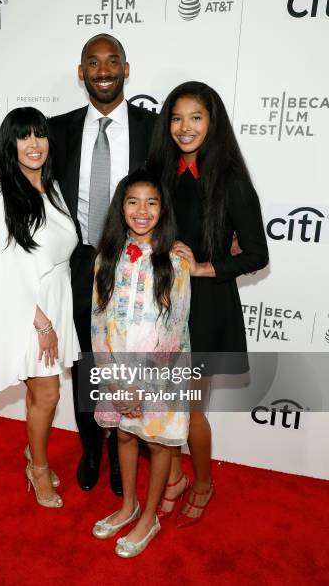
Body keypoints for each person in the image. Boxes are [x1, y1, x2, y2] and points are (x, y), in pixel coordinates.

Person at [148, 81, 269, 527]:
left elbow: (257, 253)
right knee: (163, 403)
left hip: (208, 308)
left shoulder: (230, 181)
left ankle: (202, 483)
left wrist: (202, 267)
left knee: (190, 407)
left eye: (195, 117)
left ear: (212, 122)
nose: (185, 127)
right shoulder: (160, 171)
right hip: (160, 306)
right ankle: (175, 477)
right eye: (177, 118)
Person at [48, 34, 157, 495]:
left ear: (127, 69)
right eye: (93, 62)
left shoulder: (154, 129)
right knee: (87, 365)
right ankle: (92, 449)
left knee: (129, 364)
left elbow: (180, 195)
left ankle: (123, 455)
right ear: (81, 73)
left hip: (134, 263)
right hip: (78, 264)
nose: (103, 69)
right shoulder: (57, 130)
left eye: (113, 61)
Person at [0, 107, 80, 508]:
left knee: (41, 395)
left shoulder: (51, 190)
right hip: (29, 310)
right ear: (10, 144)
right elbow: (3, 269)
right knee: (48, 394)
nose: (34, 144)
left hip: (57, 297)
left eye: (40, 135)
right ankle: (38, 468)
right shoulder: (3, 198)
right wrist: (41, 323)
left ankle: (33, 453)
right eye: (24, 137)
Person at [90, 168, 191, 557]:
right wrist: (115, 380)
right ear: (121, 208)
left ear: (163, 209)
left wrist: (140, 385)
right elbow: (98, 323)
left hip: (160, 376)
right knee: (125, 434)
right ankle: (128, 504)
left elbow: (174, 330)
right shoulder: (106, 259)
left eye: (152, 202)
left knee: (159, 442)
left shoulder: (176, 262)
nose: (142, 210)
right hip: (118, 371)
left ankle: (150, 517)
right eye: (133, 202)